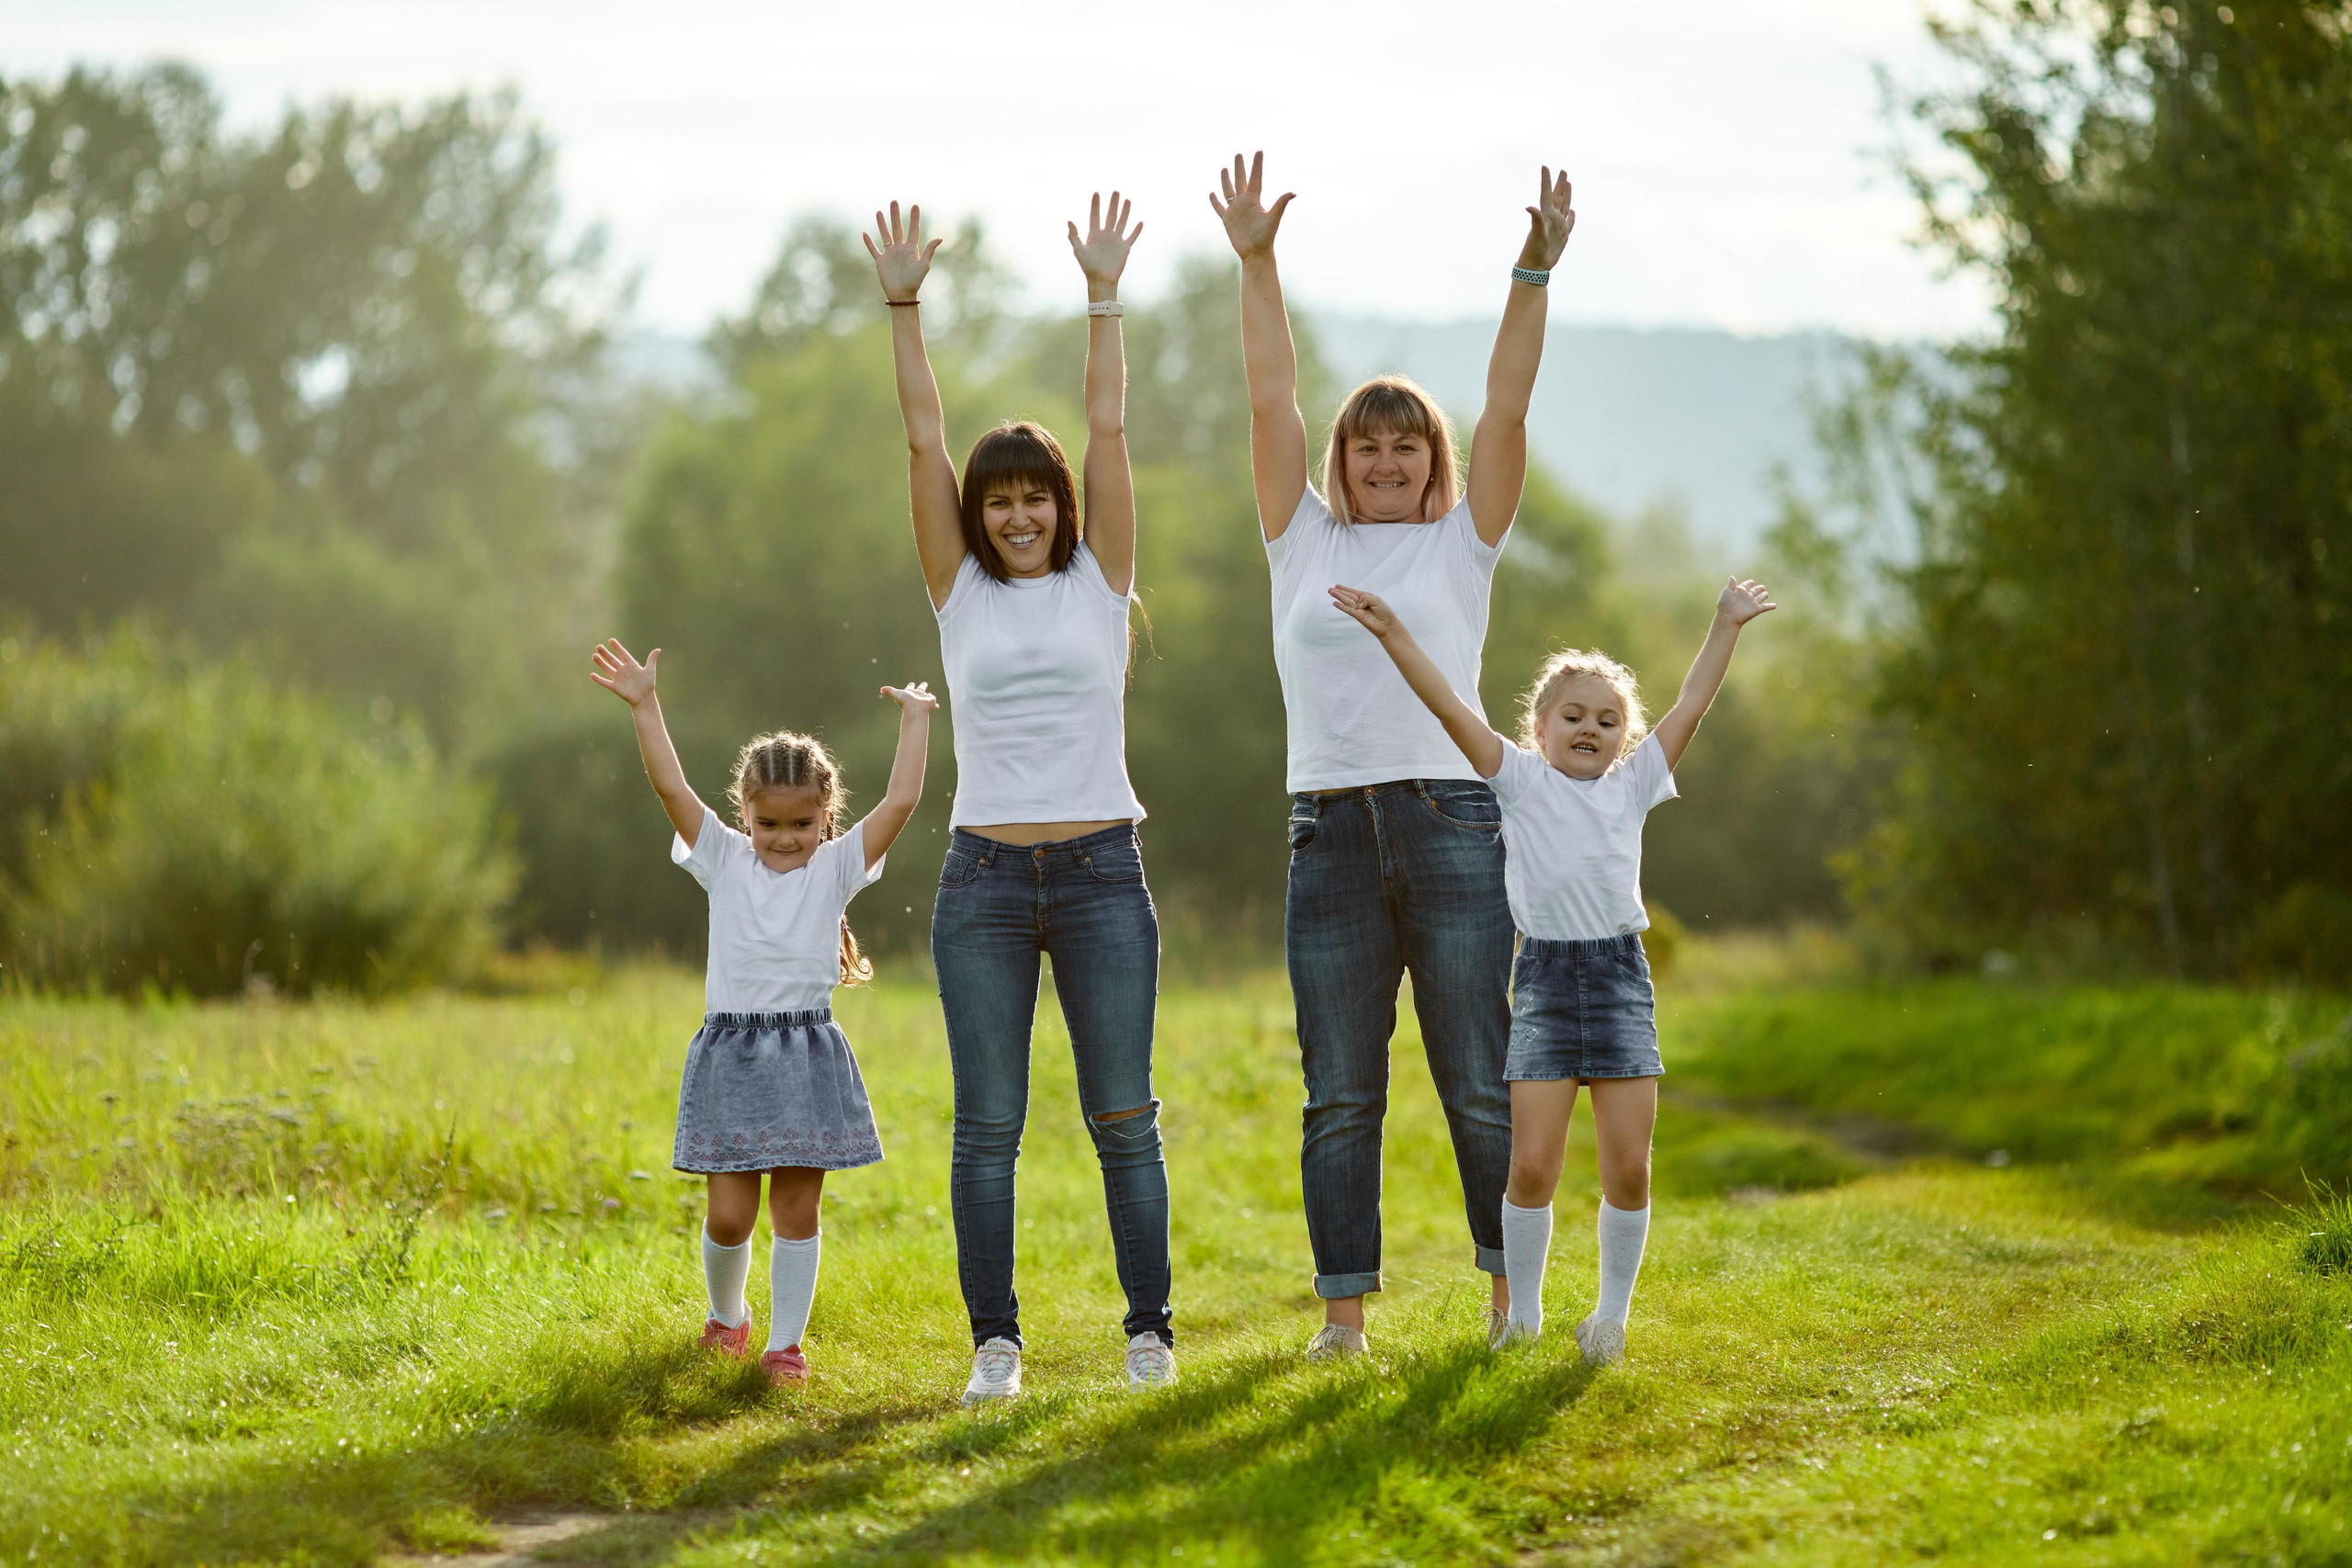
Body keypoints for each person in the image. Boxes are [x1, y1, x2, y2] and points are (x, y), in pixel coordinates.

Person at [1212, 151, 1576, 1359]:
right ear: (1341, 465)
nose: (1383, 461)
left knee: (1479, 1073)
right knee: (1340, 1090)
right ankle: (1344, 1314)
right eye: (1366, 448)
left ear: (1434, 462)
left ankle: (1507, 1292)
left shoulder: (1464, 545)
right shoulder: (1296, 543)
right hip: (1328, 832)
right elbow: (1272, 400)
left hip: (1456, 827)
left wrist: (1532, 271)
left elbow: (1509, 405)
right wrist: (1258, 262)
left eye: (1405, 446)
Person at [865, 192, 1175, 1403]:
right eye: (998, 502)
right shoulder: (962, 596)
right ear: (976, 522)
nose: (1020, 512)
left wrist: (1102, 295)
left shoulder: (1103, 581)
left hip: (1103, 870)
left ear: (1061, 504)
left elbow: (1107, 429)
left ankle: (1149, 1329)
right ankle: (996, 1342)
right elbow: (921, 437)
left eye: (1034, 495)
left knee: (1122, 1114)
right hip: (984, 879)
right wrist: (904, 306)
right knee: (986, 1124)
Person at [1329, 575, 1779, 1364]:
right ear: (1539, 729)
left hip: (1617, 983)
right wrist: (1394, 632)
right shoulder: (1518, 779)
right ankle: (1527, 1318)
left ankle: (1609, 1320)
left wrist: (1725, 624)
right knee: (1532, 1164)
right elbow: (1447, 707)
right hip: (1540, 981)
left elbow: (1692, 706)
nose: (1591, 728)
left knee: (1629, 1170)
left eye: (1608, 721)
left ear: (1623, 737)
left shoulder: (1635, 782)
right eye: (1573, 716)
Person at [590, 636, 935, 1387]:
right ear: (743, 815)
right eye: (768, 824)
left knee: (797, 1213)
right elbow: (671, 788)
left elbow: (902, 800)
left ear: (825, 818)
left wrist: (916, 720)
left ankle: (785, 1346)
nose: (784, 839)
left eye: (801, 825)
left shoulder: (839, 865)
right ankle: (727, 1318)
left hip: (807, 1057)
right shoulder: (723, 858)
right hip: (733, 1056)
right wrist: (647, 704)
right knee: (729, 1216)